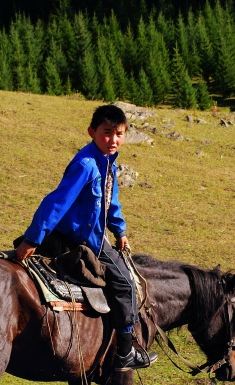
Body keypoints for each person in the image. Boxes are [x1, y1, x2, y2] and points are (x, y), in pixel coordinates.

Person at [15, 104, 157, 371]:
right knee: (125, 283)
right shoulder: (86, 164)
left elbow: (110, 203)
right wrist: (32, 239)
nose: (113, 140)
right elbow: (56, 203)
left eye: (119, 134)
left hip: (94, 234)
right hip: (82, 239)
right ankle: (125, 351)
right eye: (106, 133)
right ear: (92, 132)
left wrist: (121, 231)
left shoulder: (107, 164)